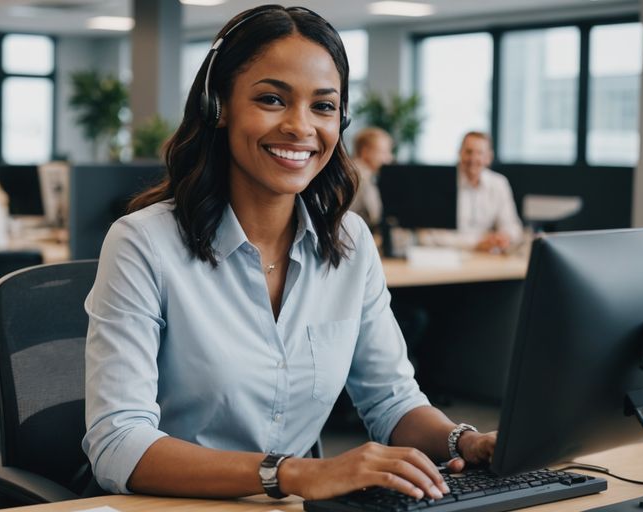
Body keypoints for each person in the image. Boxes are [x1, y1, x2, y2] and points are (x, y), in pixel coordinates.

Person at [82, 5, 496, 503]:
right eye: (272, 99)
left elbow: (391, 399)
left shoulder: (350, 243)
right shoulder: (143, 243)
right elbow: (118, 444)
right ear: (220, 107)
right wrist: (293, 474)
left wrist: (463, 441)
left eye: (323, 106)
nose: (301, 127)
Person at [420, 131, 523, 253]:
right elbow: (430, 235)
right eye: (469, 152)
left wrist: (503, 237)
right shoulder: (441, 183)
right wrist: (476, 244)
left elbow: (513, 227)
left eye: (480, 153)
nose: (473, 158)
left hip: (486, 257)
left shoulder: (498, 183)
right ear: (460, 154)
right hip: (448, 257)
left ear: (489, 158)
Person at [348, 127, 393, 229]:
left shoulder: (358, 173)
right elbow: (374, 218)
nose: (389, 158)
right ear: (365, 152)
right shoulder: (358, 177)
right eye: (384, 152)